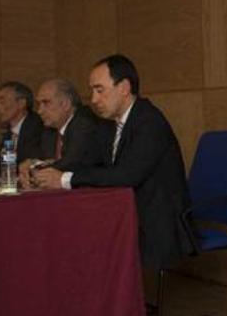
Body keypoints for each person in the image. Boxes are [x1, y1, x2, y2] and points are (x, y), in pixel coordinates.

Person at [33, 55, 195, 272]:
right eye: (92, 91)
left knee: (78, 235)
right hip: (127, 209)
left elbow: (126, 176)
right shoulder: (110, 124)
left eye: (100, 90)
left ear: (124, 88)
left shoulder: (149, 121)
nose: (93, 99)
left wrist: (63, 179)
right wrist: (45, 171)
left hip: (157, 220)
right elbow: (88, 161)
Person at [20, 78, 103, 186]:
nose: (39, 111)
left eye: (46, 103)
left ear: (66, 104)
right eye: (39, 104)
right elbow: (44, 158)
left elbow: (70, 163)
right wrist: (31, 163)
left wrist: (34, 170)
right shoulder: (50, 129)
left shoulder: (84, 123)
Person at [0, 81, 47, 163]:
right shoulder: (9, 132)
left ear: (21, 103)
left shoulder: (38, 127)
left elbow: (30, 162)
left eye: (2, 102)